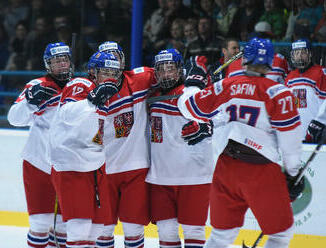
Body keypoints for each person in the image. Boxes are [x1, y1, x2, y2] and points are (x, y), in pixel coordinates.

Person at [177, 37, 305, 248]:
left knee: (221, 235)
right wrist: (293, 171)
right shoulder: (280, 93)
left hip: (226, 168)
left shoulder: (226, 86)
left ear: (245, 58)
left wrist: (192, 84)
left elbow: (188, 107)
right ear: (270, 61)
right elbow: (290, 141)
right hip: (261, 169)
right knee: (280, 234)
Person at [50, 52, 120, 247]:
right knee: (79, 228)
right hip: (72, 164)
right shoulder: (81, 84)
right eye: (105, 71)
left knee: (97, 228)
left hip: (95, 165)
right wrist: (91, 101)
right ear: (92, 71)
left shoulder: (106, 97)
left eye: (113, 72)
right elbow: (67, 114)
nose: (110, 77)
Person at [7, 42, 73, 248]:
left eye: (65, 59)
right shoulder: (36, 85)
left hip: (69, 165)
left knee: (64, 226)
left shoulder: (81, 86)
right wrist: (30, 102)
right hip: (38, 163)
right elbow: (14, 119)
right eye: (56, 61)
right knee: (40, 223)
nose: (61, 64)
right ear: (48, 64)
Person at [146, 49, 214, 248]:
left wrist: (205, 126)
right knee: (166, 231)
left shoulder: (191, 93)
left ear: (180, 70)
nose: (166, 74)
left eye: (171, 69)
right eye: (162, 70)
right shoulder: (151, 96)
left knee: (194, 230)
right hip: (160, 177)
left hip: (194, 175)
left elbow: (218, 116)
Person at [94, 42, 157, 248]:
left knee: (133, 228)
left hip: (135, 168)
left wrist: (197, 79)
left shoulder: (140, 79)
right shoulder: (88, 92)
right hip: (101, 170)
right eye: (107, 58)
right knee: (103, 229)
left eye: (116, 56)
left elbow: (171, 76)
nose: (113, 61)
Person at [285, 39, 326, 142]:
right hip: (297, 132)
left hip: (318, 131)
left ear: (310, 54)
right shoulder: (290, 77)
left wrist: (318, 124)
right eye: (297, 53)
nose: (300, 56)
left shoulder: (321, 73)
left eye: (303, 52)